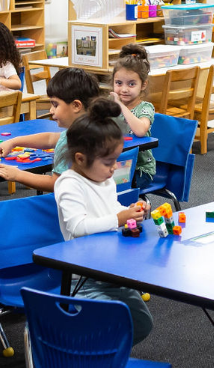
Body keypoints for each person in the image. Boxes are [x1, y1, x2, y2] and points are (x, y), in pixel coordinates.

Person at [53, 99, 151, 344]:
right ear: (80, 158)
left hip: (111, 268)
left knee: (141, 324)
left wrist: (130, 211)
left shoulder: (103, 179)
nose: (114, 167)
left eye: (115, 160)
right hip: (85, 278)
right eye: (108, 163)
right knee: (111, 326)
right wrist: (118, 218)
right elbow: (77, 228)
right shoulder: (69, 183)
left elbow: (110, 209)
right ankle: (87, 361)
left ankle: (106, 357)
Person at [0, 67, 100, 192]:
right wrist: (14, 141)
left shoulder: (70, 141)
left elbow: (56, 183)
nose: (50, 110)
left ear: (76, 105)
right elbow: (50, 138)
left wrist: (17, 175)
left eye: (55, 104)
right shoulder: (94, 128)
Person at [109, 44, 156, 189]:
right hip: (113, 165)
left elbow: (141, 130)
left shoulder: (145, 107)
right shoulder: (110, 104)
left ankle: (134, 206)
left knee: (106, 187)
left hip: (139, 170)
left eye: (131, 84)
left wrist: (121, 105)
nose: (123, 89)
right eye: (118, 83)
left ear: (143, 85)